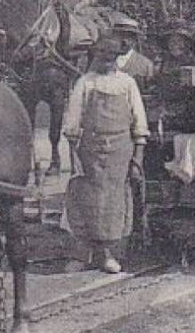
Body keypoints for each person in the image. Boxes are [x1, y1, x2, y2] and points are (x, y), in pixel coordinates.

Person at [61, 37, 149, 274]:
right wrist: (74, 155)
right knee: (85, 199)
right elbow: (71, 123)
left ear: (117, 59)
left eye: (110, 58)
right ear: (96, 57)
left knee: (112, 201)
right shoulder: (86, 83)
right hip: (89, 149)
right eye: (101, 57)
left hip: (120, 150)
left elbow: (139, 122)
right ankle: (81, 254)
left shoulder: (128, 84)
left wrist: (137, 158)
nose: (106, 62)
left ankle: (108, 254)